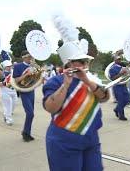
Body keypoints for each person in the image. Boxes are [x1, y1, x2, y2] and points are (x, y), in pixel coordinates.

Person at [43, 37, 109, 171]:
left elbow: (105, 97)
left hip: (91, 138)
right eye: (80, 62)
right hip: (64, 140)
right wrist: (66, 85)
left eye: (85, 61)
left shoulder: (91, 80)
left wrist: (87, 80)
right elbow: (50, 107)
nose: (84, 65)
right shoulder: (56, 81)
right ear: (69, 64)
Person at [12, 51, 36, 142]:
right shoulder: (18, 66)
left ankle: (27, 133)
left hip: (31, 90)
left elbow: (37, 77)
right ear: (23, 57)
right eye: (28, 56)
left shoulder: (33, 66)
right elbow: (16, 80)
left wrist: (35, 69)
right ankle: (25, 132)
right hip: (24, 91)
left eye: (31, 56)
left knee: (31, 114)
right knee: (30, 113)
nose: (30, 58)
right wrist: (26, 74)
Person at [109, 54, 130, 120]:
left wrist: (127, 72)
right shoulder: (112, 68)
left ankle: (116, 109)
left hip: (123, 85)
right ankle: (121, 115)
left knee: (127, 100)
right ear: (114, 60)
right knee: (121, 101)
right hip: (117, 86)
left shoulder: (122, 67)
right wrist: (121, 73)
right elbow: (112, 78)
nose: (119, 60)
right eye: (118, 59)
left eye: (120, 59)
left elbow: (127, 75)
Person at [0, 50, 17, 126]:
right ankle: (8, 119)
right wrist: (6, 83)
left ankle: (6, 114)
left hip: (13, 91)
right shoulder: (1, 74)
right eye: (7, 66)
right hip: (4, 92)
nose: (9, 67)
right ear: (4, 66)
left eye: (10, 66)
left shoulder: (14, 72)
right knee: (8, 105)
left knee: (13, 105)